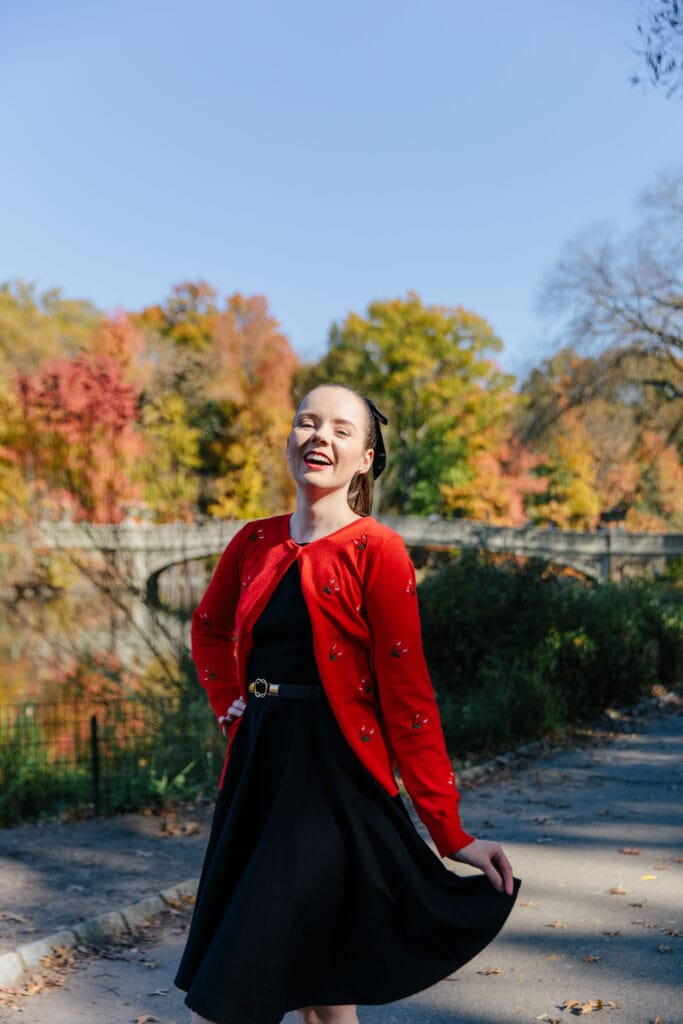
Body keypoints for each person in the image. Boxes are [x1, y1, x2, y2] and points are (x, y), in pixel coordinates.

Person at [175, 383, 520, 1024]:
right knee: (321, 995)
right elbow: (208, 630)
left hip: (334, 785)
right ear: (290, 439)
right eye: (308, 423)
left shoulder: (377, 550)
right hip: (259, 773)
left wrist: (449, 831)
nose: (319, 438)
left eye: (340, 429)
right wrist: (229, 705)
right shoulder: (253, 542)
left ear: (364, 458)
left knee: (240, 987)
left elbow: (408, 696)